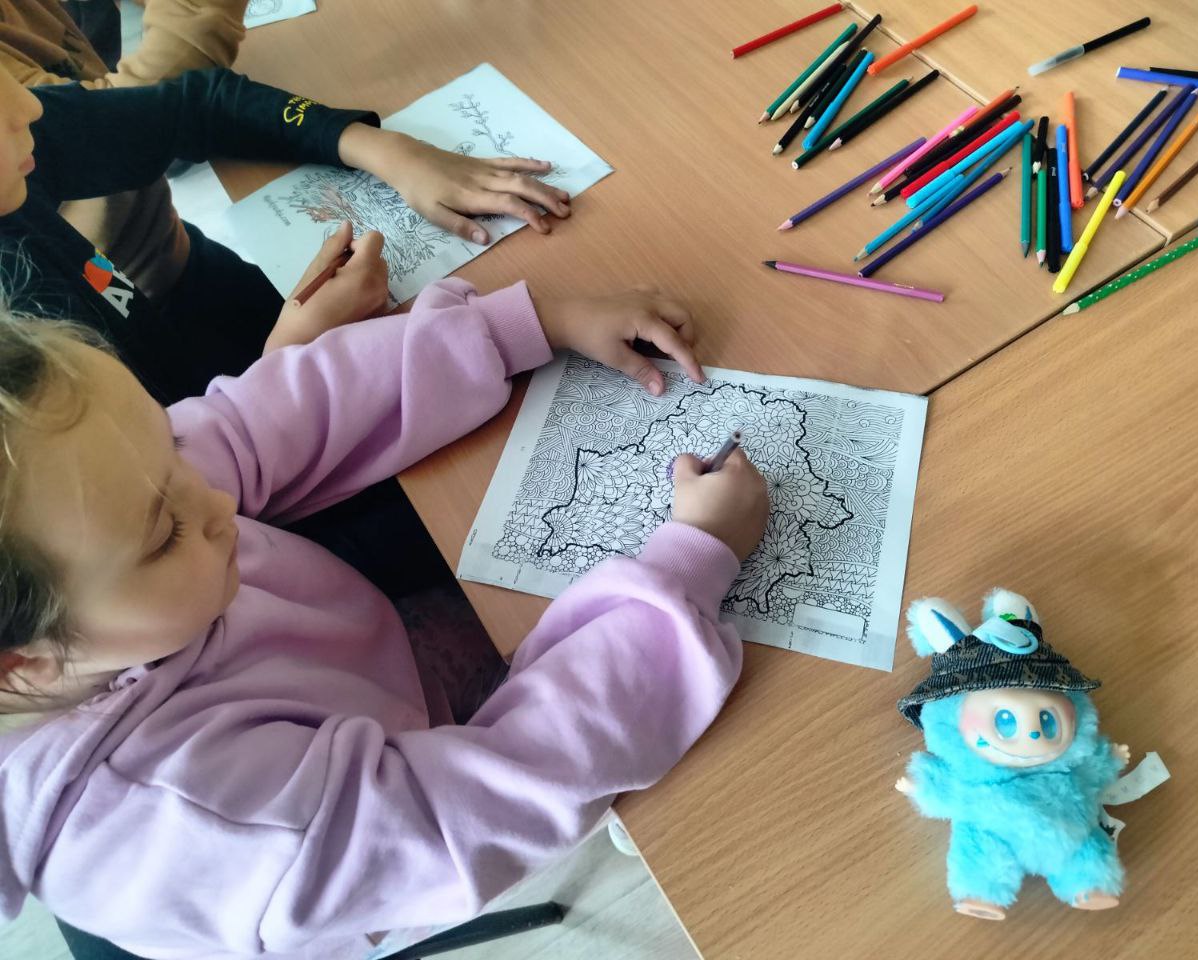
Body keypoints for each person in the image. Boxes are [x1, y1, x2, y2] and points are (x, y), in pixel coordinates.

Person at [0, 268, 769, 958]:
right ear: (24, 663)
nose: (216, 497)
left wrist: (523, 326)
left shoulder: (95, 513)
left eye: (171, 448)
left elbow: (255, 421)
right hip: (395, 852)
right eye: (165, 532)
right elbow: (473, 809)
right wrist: (689, 564)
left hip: (375, 674)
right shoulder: (186, 830)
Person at [1, 63, 573, 596]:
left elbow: (196, 105)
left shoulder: (16, 157)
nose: (28, 105)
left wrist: (388, 150)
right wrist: (287, 354)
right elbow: (171, 511)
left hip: (208, 368)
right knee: (493, 499)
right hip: (222, 515)